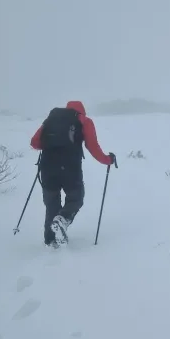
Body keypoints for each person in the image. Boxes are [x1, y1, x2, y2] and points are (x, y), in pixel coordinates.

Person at [30, 100, 115, 248]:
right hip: (70, 168)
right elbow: (92, 146)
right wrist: (107, 160)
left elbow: (35, 142)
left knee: (52, 204)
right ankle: (62, 219)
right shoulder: (84, 121)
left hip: (47, 168)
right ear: (82, 110)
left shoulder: (51, 119)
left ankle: (51, 241)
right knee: (76, 198)